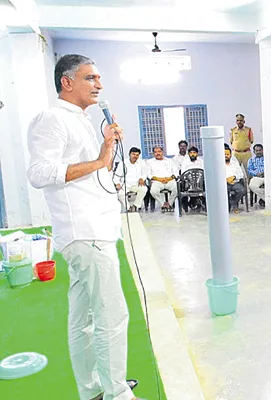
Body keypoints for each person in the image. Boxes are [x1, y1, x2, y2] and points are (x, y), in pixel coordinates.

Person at [27, 54, 139, 400]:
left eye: (98, 78)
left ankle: (92, 389)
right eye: (91, 78)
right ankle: (117, 393)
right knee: (111, 315)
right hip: (85, 232)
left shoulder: (81, 120)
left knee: (85, 318)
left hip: (92, 230)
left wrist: (106, 148)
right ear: (67, 82)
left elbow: (90, 170)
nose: (99, 85)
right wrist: (101, 160)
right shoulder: (52, 118)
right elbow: (39, 174)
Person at [114, 147, 148, 213]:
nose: (135, 156)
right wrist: (117, 183)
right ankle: (128, 207)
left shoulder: (141, 163)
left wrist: (142, 178)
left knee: (144, 189)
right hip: (126, 184)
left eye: (137, 155)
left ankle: (135, 206)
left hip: (137, 183)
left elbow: (145, 173)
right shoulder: (123, 163)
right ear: (129, 154)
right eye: (133, 154)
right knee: (120, 194)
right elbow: (116, 175)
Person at [148, 146, 178, 212]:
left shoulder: (170, 161)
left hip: (169, 180)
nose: (157, 153)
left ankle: (169, 203)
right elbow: (149, 175)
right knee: (153, 191)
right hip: (157, 181)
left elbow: (176, 172)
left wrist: (168, 179)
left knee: (177, 189)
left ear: (162, 152)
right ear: (153, 153)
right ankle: (163, 204)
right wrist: (159, 179)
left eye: (159, 151)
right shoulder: (149, 162)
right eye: (155, 152)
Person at [224, 144, 245, 213]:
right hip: (224, 184)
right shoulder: (219, 164)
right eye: (224, 154)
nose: (226, 156)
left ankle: (232, 201)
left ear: (230, 155)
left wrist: (234, 177)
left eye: (227, 154)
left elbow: (241, 174)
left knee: (242, 190)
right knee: (223, 191)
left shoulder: (235, 164)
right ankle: (230, 205)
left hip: (234, 182)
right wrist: (226, 180)